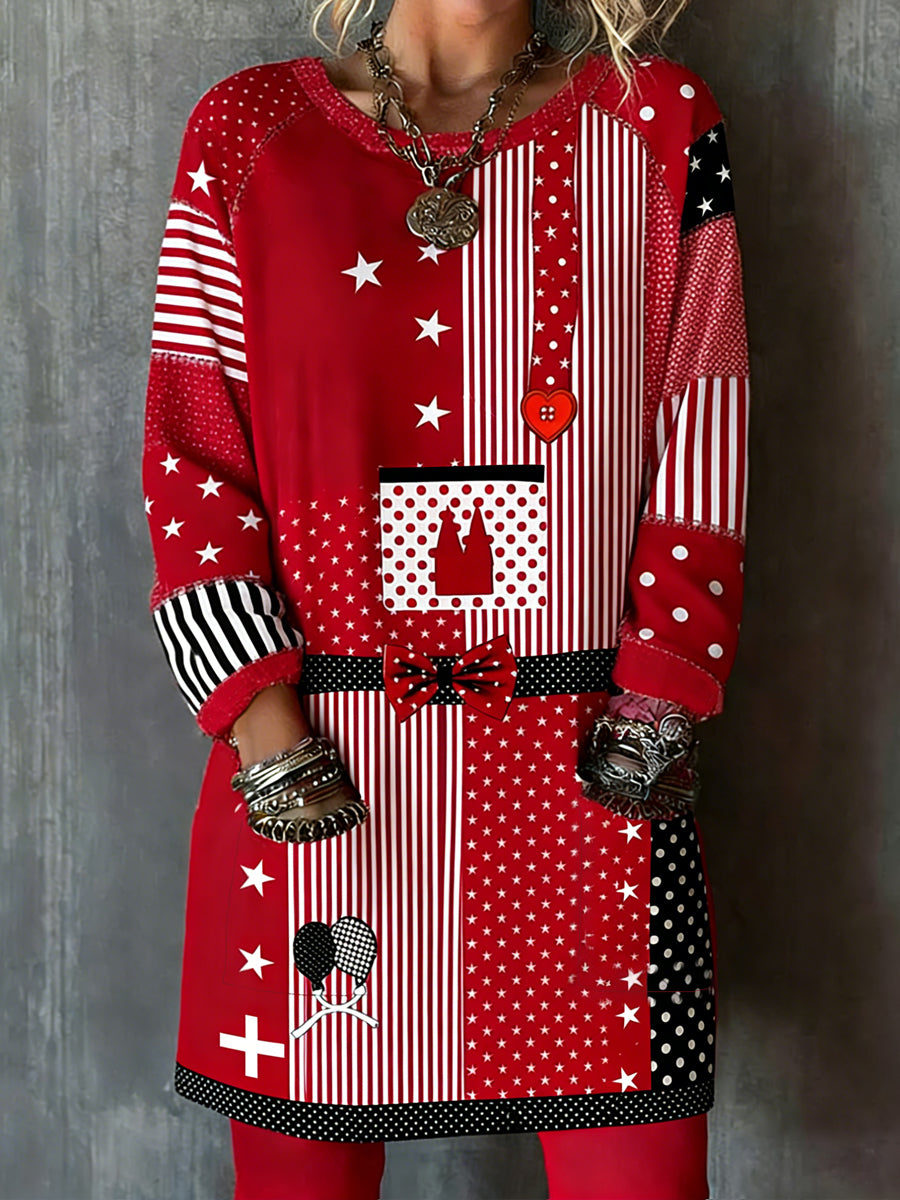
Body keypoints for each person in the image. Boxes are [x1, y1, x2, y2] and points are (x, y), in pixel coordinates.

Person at [140, 0, 750, 1195]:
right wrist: (265, 729)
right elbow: (191, 448)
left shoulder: (658, 124)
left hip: (599, 781)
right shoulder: (246, 134)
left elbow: (705, 417)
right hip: (315, 790)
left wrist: (659, 703)